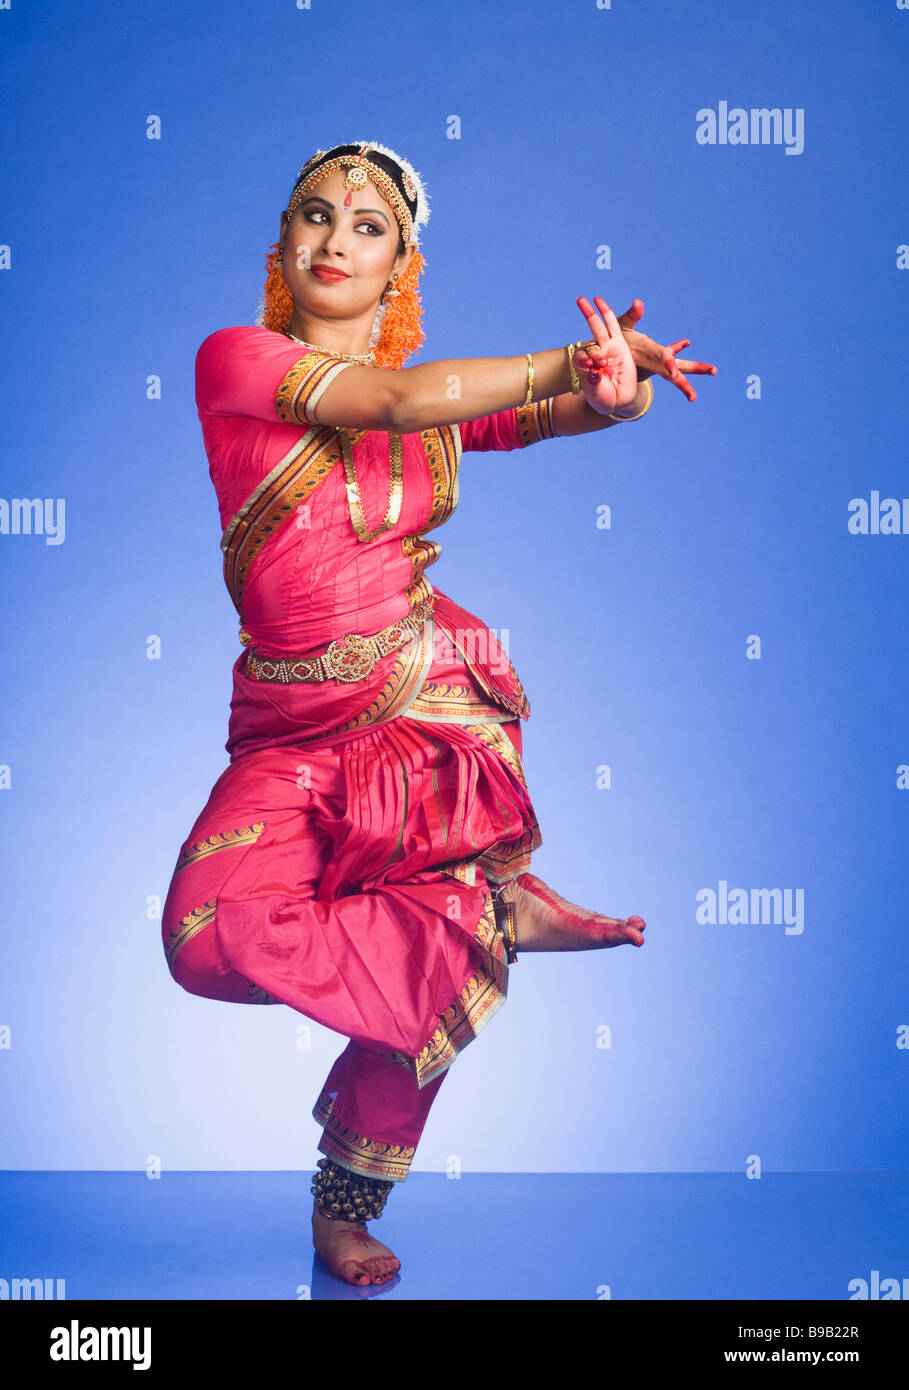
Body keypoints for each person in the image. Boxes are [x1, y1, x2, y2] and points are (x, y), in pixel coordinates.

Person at [161, 141, 716, 1288]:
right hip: (286, 728)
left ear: (399, 264)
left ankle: (345, 1201)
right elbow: (402, 395)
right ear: (281, 244)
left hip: (419, 708)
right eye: (313, 216)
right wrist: (563, 357)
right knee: (204, 934)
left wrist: (617, 392)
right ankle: (491, 916)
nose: (333, 240)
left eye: (367, 228)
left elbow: (540, 419)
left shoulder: (435, 400)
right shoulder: (240, 360)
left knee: (428, 952)